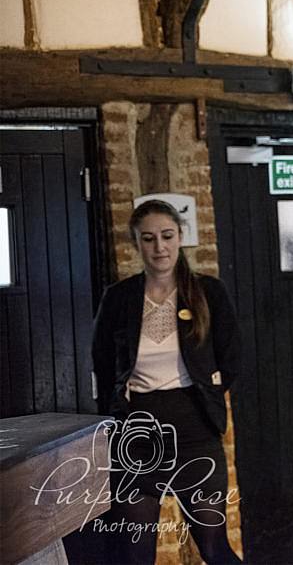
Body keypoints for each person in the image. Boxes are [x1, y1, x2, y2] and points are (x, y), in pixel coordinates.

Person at [91, 199, 241, 564]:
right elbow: (102, 361)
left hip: (194, 429)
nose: (159, 247)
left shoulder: (209, 292)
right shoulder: (119, 297)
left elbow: (233, 356)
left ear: (180, 238)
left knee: (214, 546)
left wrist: (211, 388)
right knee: (134, 553)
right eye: (149, 238)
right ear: (137, 244)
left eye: (167, 236)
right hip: (137, 434)